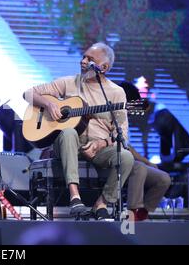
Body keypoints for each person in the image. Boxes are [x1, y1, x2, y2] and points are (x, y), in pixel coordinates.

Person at [24, 42, 134, 220]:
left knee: (127, 157)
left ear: (104, 67)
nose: (83, 61)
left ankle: (102, 203)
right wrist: (49, 104)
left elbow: (123, 135)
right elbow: (28, 94)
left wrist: (101, 143)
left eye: (89, 59)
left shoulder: (116, 93)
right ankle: (75, 197)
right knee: (68, 132)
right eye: (83, 57)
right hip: (68, 146)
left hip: (99, 150)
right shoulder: (69, 83)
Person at [119, 81, 171, 221]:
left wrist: (148, 162)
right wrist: (145, 162)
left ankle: (142, 214)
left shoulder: (124, 119)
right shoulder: (108, 115)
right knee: (139, 167)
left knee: (163, 178)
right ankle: (131, 215)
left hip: (127, 161)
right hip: (111, 161)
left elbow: (127, 146)